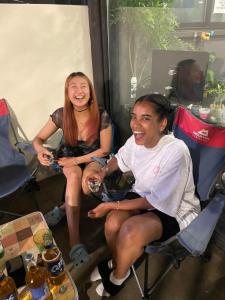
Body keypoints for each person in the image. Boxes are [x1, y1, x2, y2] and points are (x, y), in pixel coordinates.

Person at [87, 94, 200, 297]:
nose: (135, 124)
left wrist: (112, 205)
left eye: (145, 118)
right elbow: (120, 159)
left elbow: (157, 201)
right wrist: (102, 172)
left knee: (130, 230)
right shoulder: (136, 140)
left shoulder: (176, 152)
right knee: (113, 223)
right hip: (144, 195)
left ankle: (118, 276)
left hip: (174, 207)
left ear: (162, 123)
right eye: (134, 116)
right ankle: (119, 260)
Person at [32, 72, 112, 267]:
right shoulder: (61, 114)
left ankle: (61, 209)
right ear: (67, 93)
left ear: (90, 92)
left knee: (86, 187)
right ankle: (74, 241)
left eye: (83, 86)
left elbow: (105, 149)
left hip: (94, 157)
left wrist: (76, 160)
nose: (79, 91)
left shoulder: (101, 115)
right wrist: (41, 151)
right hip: (67, 158)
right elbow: (37, 139)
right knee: (74, 177)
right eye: (73, 86)